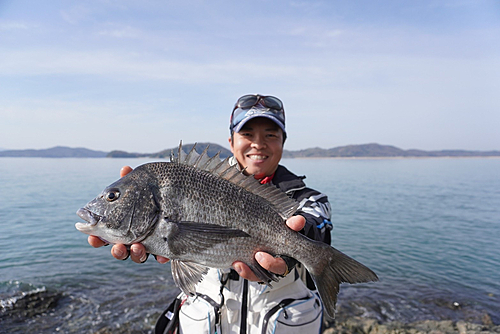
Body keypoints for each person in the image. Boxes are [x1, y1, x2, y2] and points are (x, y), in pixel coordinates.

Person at [88, 94, 333, 334]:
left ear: (283, 141)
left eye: (271, 135)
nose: (258, 143)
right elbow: (179, 245)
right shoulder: (196, 182)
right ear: (231, 141)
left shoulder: (306, 199)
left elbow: (316, 224)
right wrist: (156, 244)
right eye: (247, 134)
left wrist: (294, 247)